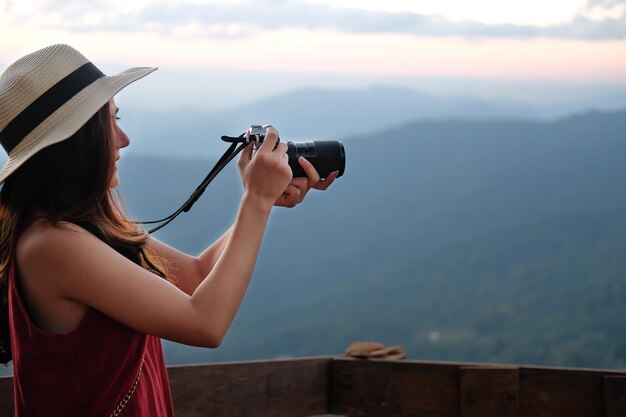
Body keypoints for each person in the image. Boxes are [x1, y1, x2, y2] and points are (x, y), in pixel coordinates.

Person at [0, 44, 337, 416]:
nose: (123, 139)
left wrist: (261, 202)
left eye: (119, 118)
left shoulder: (86, 223)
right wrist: (254, 202)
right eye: (109, 123)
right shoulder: (51, 244)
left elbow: (193, 277)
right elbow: (205, 324)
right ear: (75, 141)